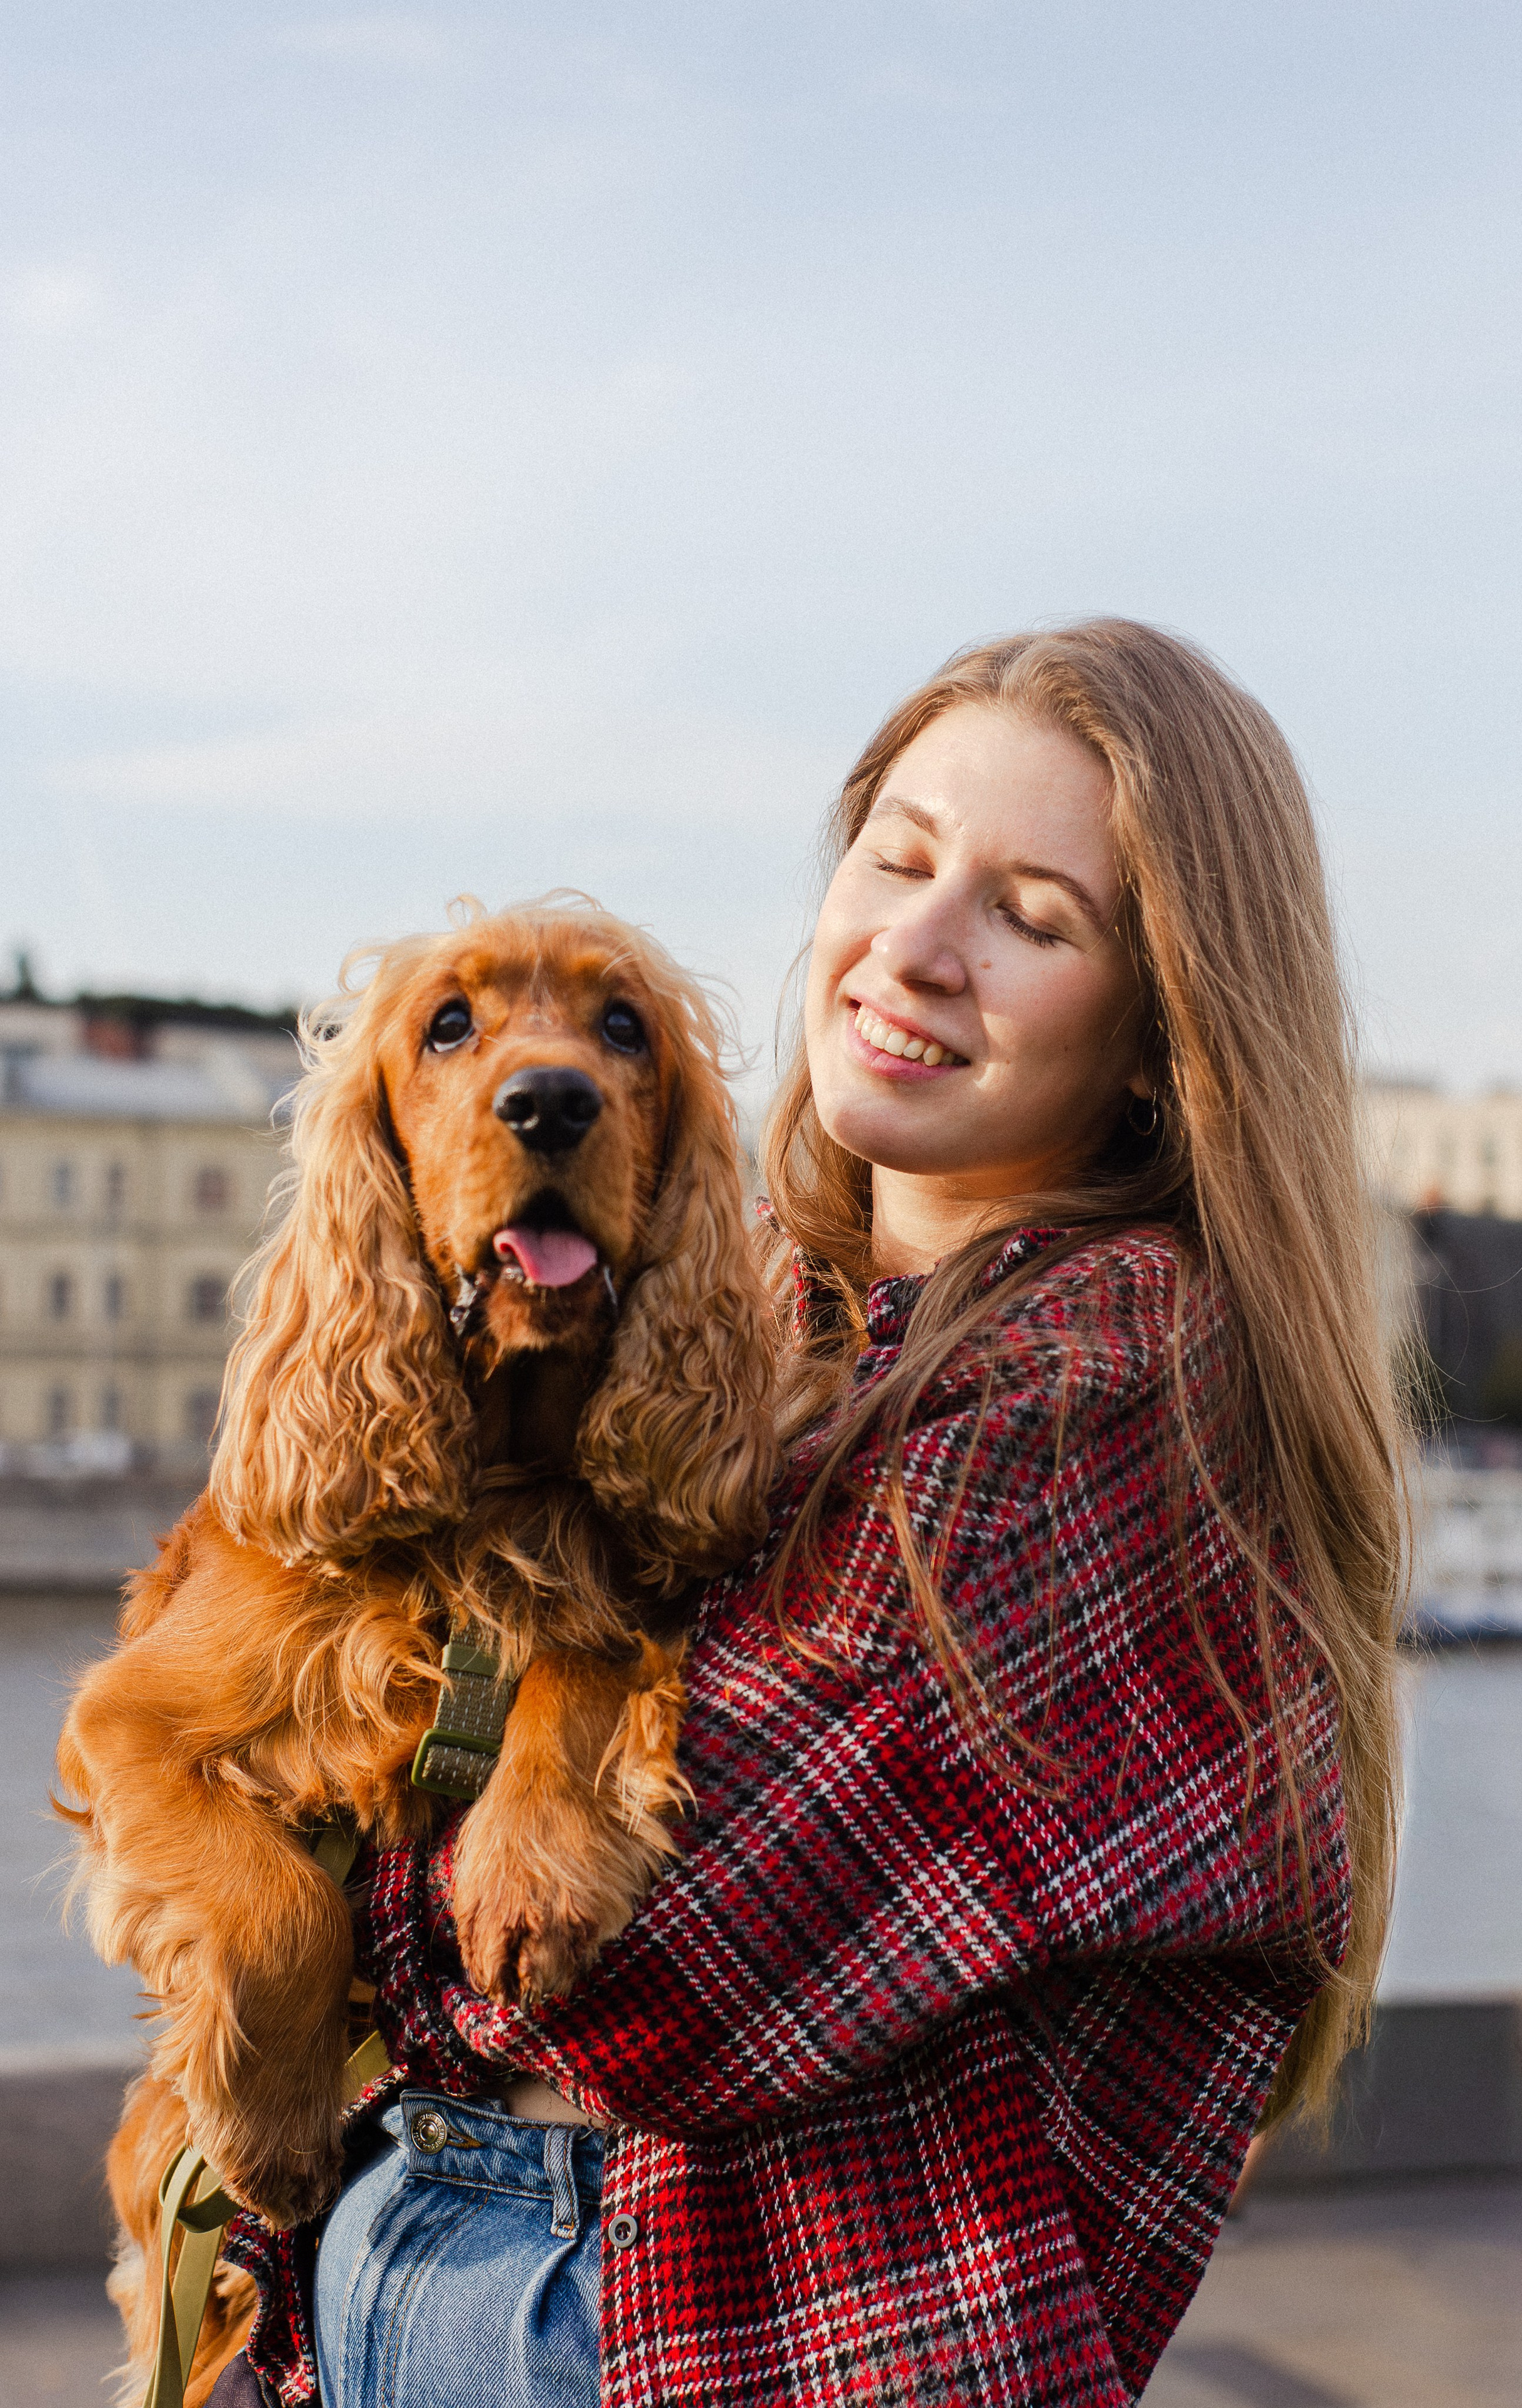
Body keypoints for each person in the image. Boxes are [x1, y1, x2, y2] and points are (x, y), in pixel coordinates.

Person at [232, 619, 1403, 2408]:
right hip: (473, 2282)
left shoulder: (1104, 1376)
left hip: (679, 2344)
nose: (915, 949)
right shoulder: (778, 1317)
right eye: (900, 858)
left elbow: (641, 1958)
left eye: (1031, 918)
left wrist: (287, 1842)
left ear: (1163, 1037)